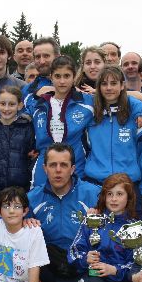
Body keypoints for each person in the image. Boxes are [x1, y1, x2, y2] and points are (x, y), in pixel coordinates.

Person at [27, 144, 101, 282]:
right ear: (45, 169)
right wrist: (23, 222)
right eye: (53, 165)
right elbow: (8, 224)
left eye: (64, 165)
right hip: (51, 264)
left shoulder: (93, 194)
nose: (58, 171)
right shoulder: (32, 198)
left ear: (73, 168)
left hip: (81, 264)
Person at [68, 173, 142, 282]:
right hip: (94, 277)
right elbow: (73, 252)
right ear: (104, 196)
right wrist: (85, 258)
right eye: (110, 194)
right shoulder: (93, 219)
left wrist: (115, 270)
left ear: (128, 198)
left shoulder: (134, 228)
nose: (114, 199)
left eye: (119, 194)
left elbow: (137, 263)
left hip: (119, 280)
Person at [83, 66, 142, 215]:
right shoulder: (89, 115)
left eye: (114, 83)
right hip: (95, 186)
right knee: (96, 237)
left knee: (130, 237)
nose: (109, 88)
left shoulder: (138, 118)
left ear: (122, 86)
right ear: (98, 87)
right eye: (104, 84)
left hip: (129, 188)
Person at [30, 56, 95, 187]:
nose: (62, 81)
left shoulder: (88, 102)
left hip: (76, 162)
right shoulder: (37, 105)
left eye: (67, 76)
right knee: (40, 201)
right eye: (57, 76)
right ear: (50, 77)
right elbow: (12, 112)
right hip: (45, 164)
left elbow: (122, 99)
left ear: (74, 76)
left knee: (75, 203)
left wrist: (139, 113)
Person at [23, 37, 60, 111]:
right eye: (37, 57)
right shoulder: (26, 91)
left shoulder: (75, 86)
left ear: (57, 57)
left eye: (46, 56)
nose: (42, 61)